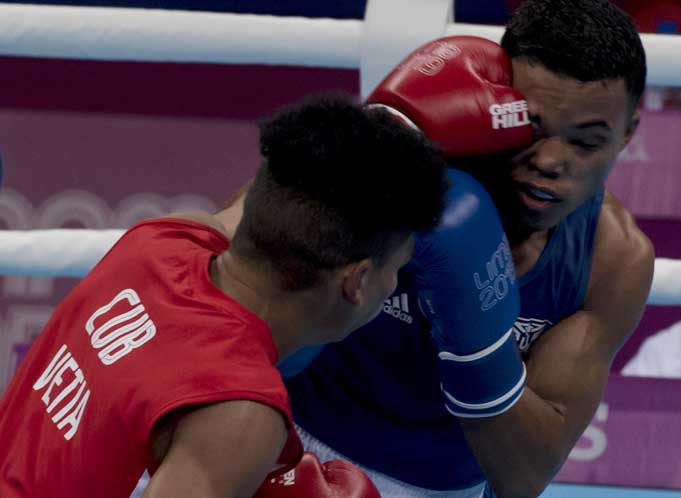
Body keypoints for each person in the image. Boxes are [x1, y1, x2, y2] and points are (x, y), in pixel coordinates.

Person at [281, 1, 655, 497]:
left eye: (586, 143)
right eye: (533, 128)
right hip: (286, 441)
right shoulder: (406, 170)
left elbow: (523, 477)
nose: (549, 161)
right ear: (497, 100)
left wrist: (477, 341)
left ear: (627, 134)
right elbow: (245, 317)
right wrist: (360, 171)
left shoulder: (612, 260)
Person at [0, 93, 449, 498]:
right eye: (398, 267)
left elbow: (259, 199)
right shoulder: (240, 411)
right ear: (357, 281)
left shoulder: (161, 241)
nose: (396, 284)